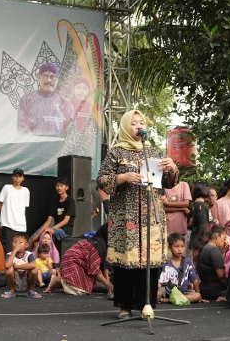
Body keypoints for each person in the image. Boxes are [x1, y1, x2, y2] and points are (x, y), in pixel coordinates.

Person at [97, 110, 179, 318]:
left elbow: (169, 183)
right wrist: (123, 177)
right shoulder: (116, 152)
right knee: (126, 262)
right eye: (134, 123)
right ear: (125, 126)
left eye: (141, 122)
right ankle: (125, 306)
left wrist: (173, 169)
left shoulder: (153, 151)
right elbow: (101, 180)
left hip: (151, 216)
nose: (138, 126)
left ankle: (146, 305)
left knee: (149, 262)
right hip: (126, 217)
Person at [43, 223, 113, 297]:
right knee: (80, 290)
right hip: (72, 261)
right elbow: (94, 270)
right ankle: (59, 281)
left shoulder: (104, 246)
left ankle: (64, 283)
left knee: (88, 286)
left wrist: (108, 286)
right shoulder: (97, 245)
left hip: (81, 265)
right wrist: (107, 284)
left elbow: (105, 266)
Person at [17, 62, 74, 136]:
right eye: (44, 76)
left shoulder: (65, 102)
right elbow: (21, 129)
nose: (49, 80)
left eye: (53, 77)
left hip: (57, 146)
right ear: (39, 77)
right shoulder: (27, 98)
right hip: (33, 145)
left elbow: (72, 129)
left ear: (57, 80)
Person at [157, 233, 203, 304]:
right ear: (170, 248)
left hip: (182, 292)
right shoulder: (165, 264)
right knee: (157, 294)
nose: (180, 249)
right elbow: (160, 282)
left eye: (182, 246)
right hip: (168, 291)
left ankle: (169, 300)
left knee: (197, 296)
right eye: (176, 246)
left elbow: (195, 280)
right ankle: (174, 299)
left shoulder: (187, 262)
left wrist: (199, 296)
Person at [1, 232, 42, 298]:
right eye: (14, 242)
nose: (17, 244)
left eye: (20, 242)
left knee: (34, 270)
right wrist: (14, 251)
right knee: (8, 270)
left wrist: (17, 266)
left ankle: (30, 291)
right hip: (15, 279)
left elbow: (33, 265)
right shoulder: (9, 254)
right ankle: (12, 291)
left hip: (26, 279)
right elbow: (7, 265)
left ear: (26, 245)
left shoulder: (29, 254)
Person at [34, 177, 75, 242]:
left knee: (46, 233)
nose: (59, 188)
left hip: (65, 232)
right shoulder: (55, 201)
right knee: (37, 241)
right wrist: (38, 235)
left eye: (61, 186)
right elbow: (49, 221)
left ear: (67, 187)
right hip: (55, 230)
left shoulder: (70, 201)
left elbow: (66, 221)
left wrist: (50, 229)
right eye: (57, 186)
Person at [0, 168, 30, 249]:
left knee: (20, 250)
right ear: (12, 177)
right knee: (9, 250)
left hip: (21, 226)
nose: (17, 179)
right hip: (8, 225)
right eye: (15, 176)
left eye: (19, 176)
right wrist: (3, 218)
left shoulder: (26, 191)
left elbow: (23, 207)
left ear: (23, 178)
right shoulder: (7, 188)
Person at [195, 224, 228, 301]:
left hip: (205, 289)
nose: (224, 241)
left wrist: (222, 252)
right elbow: (221, 275)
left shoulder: (205, 248)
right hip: (216, 291)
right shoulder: (213, 250)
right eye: (224, 238)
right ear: (217, 235)